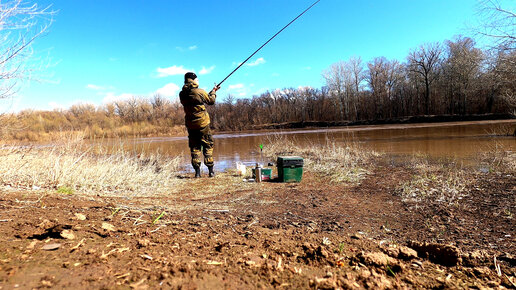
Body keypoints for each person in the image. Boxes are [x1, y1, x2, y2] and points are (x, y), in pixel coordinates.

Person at [179, 72, 220, 178]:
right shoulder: (200, 91)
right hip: (203, 124)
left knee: (195, 147)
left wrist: (211, 92)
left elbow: (196, 98)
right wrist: (214, 92)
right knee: (207, 145)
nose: (198, 81)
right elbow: (211, 101)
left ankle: (197, 173)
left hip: (191, 125)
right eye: (197, 79)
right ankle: (211, 171)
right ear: (193, 80)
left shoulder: (182, 94)